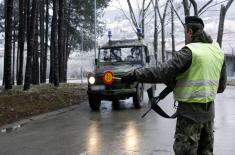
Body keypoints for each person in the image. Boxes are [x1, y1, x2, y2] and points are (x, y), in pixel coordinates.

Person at [121, 16, 227, 155]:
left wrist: (136, 75)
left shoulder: (189, 52)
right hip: (209, 117)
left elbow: (161, 72)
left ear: (189, 32)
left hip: (189, 117)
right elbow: (221, 87)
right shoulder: (217, 51)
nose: (185, 36)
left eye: (185, 33)